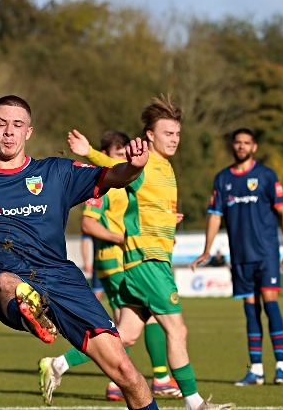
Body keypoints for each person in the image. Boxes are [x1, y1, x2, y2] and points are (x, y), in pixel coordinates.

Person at [0, 94, 160, 410]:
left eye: (17, 125)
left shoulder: (57, 173)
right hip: (10, 283)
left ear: (28, 132)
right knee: (4, 282)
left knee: (127, 373)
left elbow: (113, 176)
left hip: (63, 282)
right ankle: (34, 316)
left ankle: (41, 313)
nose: (9, 132)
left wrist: (134, 167)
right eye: (2, 124)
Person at [64, 95, 232, 410]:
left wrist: (169, 218)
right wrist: (89, 153)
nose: (174, 139)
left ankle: (59, 364)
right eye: (168, 133)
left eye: (177, 134)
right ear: (150, 135)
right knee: (176, 329)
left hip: (146, 261)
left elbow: (148, 204)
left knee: (124, 335)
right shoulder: (145, 163)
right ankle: (195, 403)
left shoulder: (166, 167)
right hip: (149, 261)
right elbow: (120, 168)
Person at [39, 129, 183, 404]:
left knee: (129, 328)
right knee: (131, 327)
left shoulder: (130, 183)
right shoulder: (104, 187)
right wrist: (124, 237)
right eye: (116, 155)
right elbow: (88, 224)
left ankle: (138, 378)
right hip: (118, 262)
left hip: (126, 259)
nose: (123, 160)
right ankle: (156, 378)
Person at [190, 128, 283, 387]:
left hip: (267, 254)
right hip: (241, 257)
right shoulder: (223, 178)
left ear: (254, 147)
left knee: (270, 305)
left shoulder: (266, 175)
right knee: (250, 311)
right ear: (232, 146)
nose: (241, 146)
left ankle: (281, 366)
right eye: (237, 142)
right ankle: (255, 370)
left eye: (246, 143)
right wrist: (207, 249)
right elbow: (215, 214)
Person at [81, 231, 104, 300]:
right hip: (98, 264)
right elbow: (84, 241)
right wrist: (86, 261)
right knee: (97, 295)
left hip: (117, 262)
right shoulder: (91, 221)